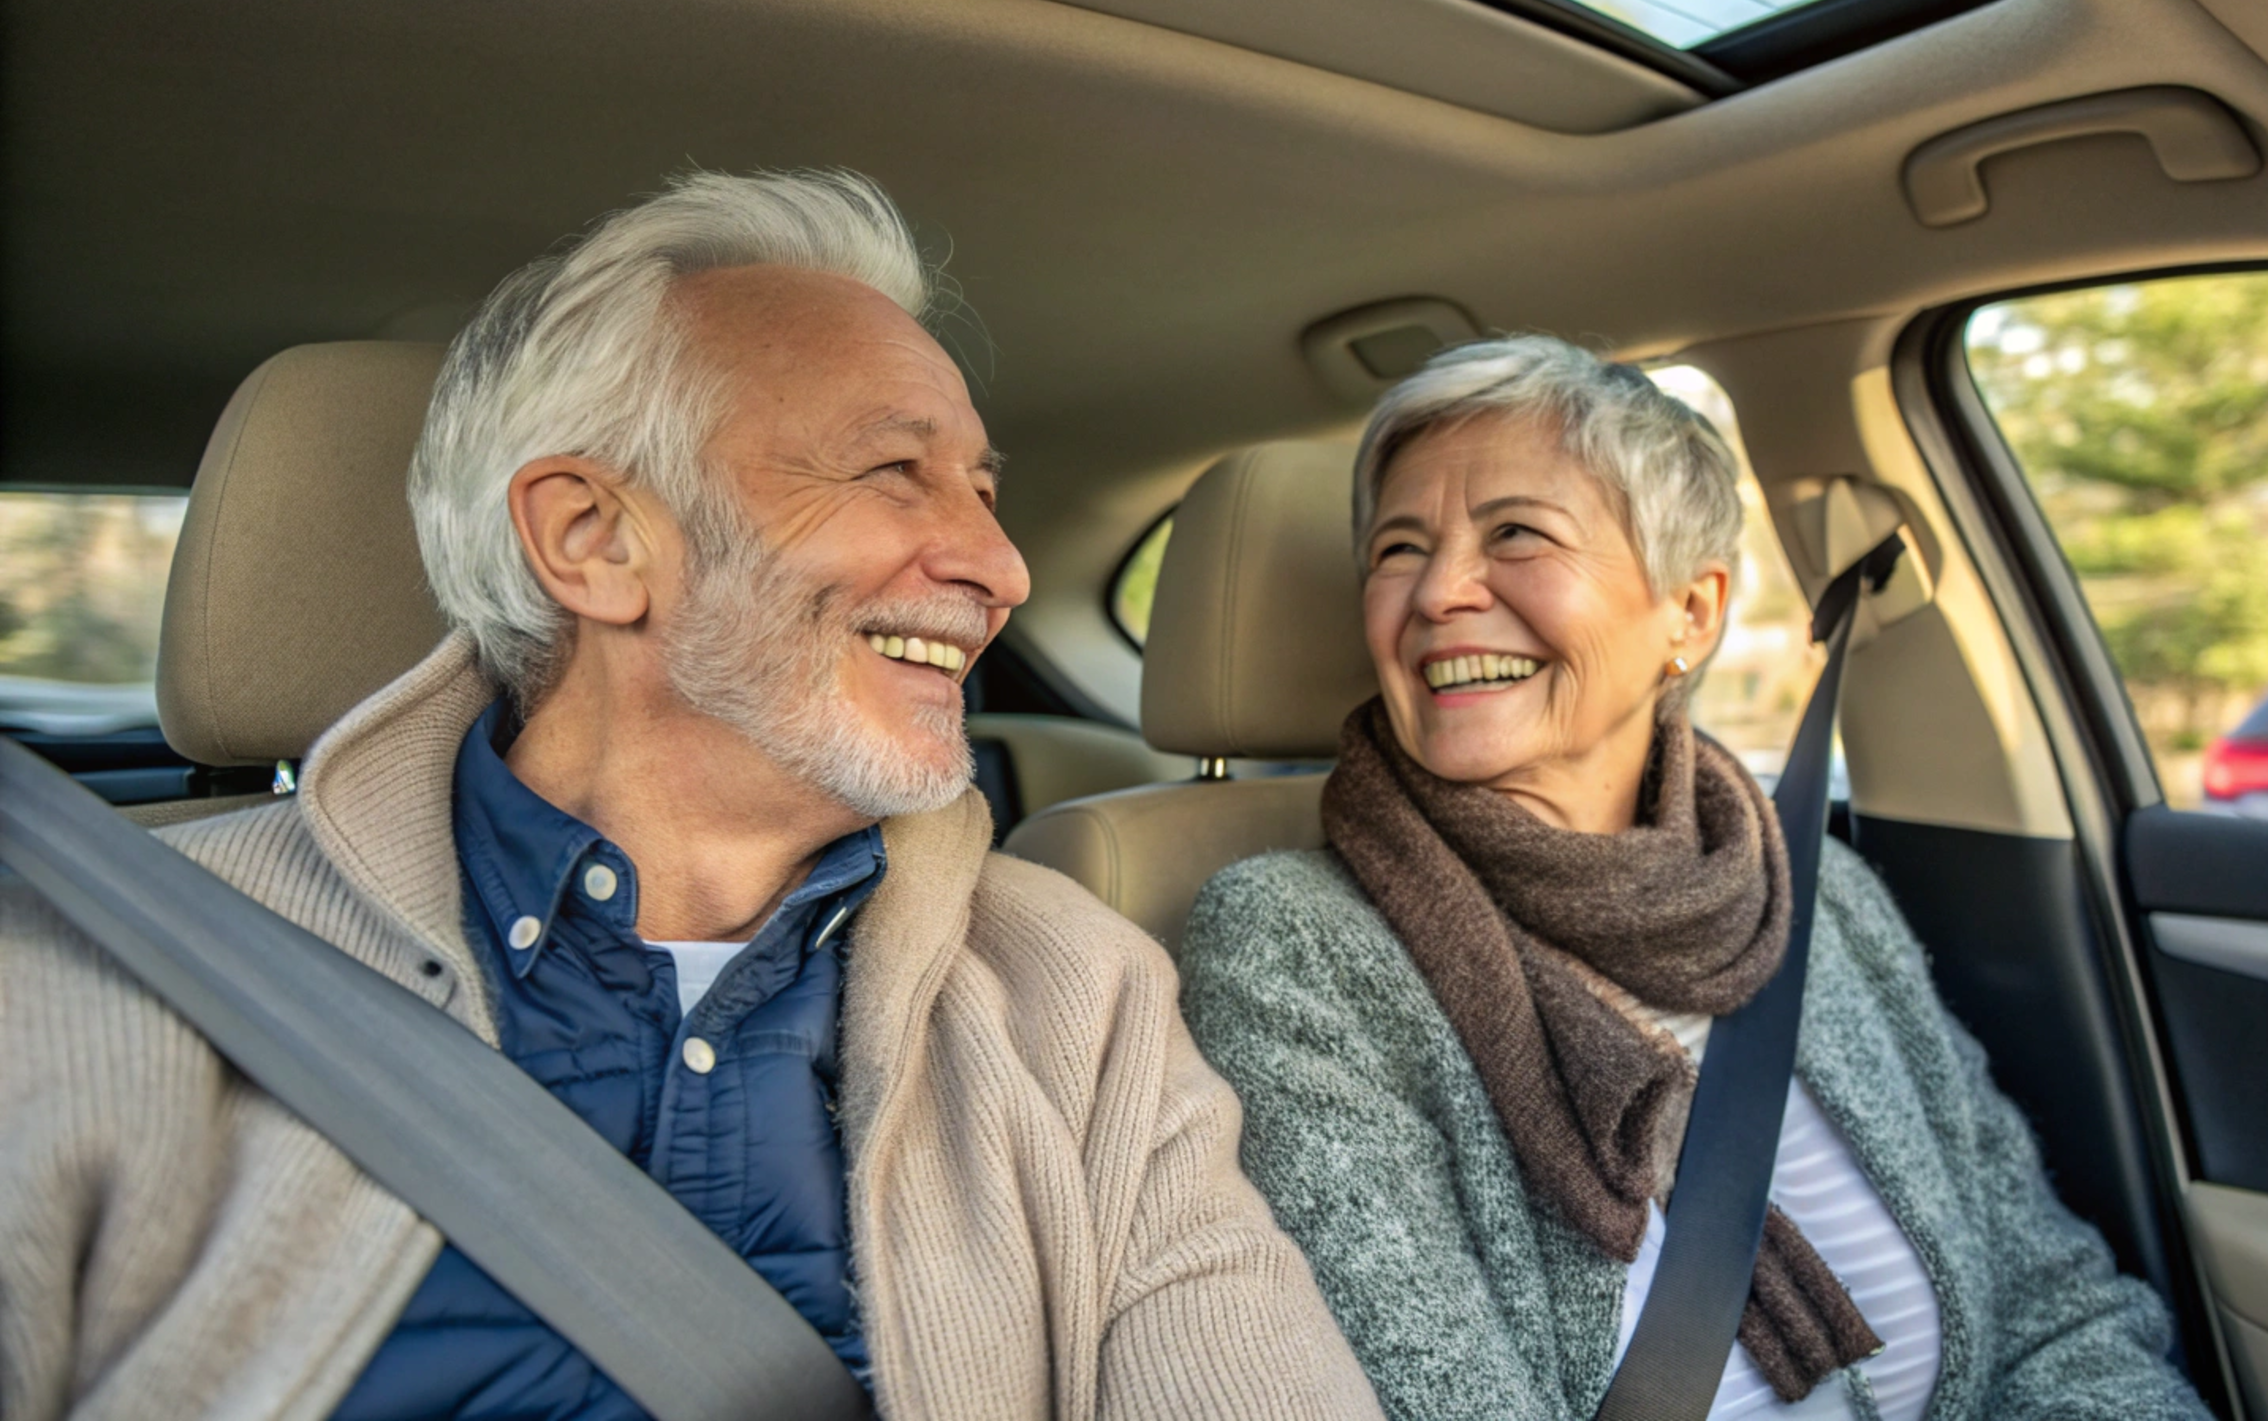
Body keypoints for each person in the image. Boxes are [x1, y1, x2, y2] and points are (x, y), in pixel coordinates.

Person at [0, 170, 1379, 1421]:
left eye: (982, 488)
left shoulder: (1074, 996)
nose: (1002, 568)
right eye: (893, 471)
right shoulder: (87, 978)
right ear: (594, 540)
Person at [1178, 337, 2210, 1421]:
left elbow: (2053, 1308)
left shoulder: (1820, 893)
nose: (1438, 592)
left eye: (1517, 533)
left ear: (1692, 612)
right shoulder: (1294, 948)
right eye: (1399, 549)